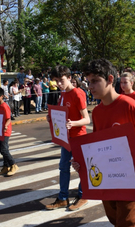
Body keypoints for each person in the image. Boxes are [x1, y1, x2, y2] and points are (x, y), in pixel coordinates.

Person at [71, 58, 135, 227]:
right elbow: (98, 145)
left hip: (131, 176)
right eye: (89, 82)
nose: (90, 86)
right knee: (115, 220)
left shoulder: (130, 106)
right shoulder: (97, 112)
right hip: (107, 178)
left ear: (110, 79)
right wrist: (82, 161)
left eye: (95, 81)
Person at [45, 65, 90, 212]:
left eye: (61, 80)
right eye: (56, 80)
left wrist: (73, 123)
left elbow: (87, 119)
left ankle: (83, 195)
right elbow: (61, 114)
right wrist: (51, 118)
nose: (58, 83)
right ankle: (63, 198)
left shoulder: (78, 94)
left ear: (69, 77)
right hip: (66, 138)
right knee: (63, 167)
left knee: (81, 168)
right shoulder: (62, 94)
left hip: (78, 137)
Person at [0, 87, 19, 176]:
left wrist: (6, 126)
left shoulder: (5, 106)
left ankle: (13, 164)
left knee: (3, 150)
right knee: (3, 149)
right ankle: (6, 167)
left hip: (5, 131)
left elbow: (9, 119)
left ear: (2, 96)